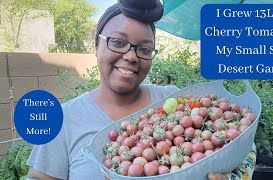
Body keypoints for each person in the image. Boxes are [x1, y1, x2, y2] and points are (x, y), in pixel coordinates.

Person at [27, 0, 256, 179]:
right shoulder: (62, 121)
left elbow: (245, 146)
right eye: (117, 42)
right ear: (96, 44)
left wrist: (235, 176)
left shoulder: (178, 102)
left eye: (144, 49)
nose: (130, 56)